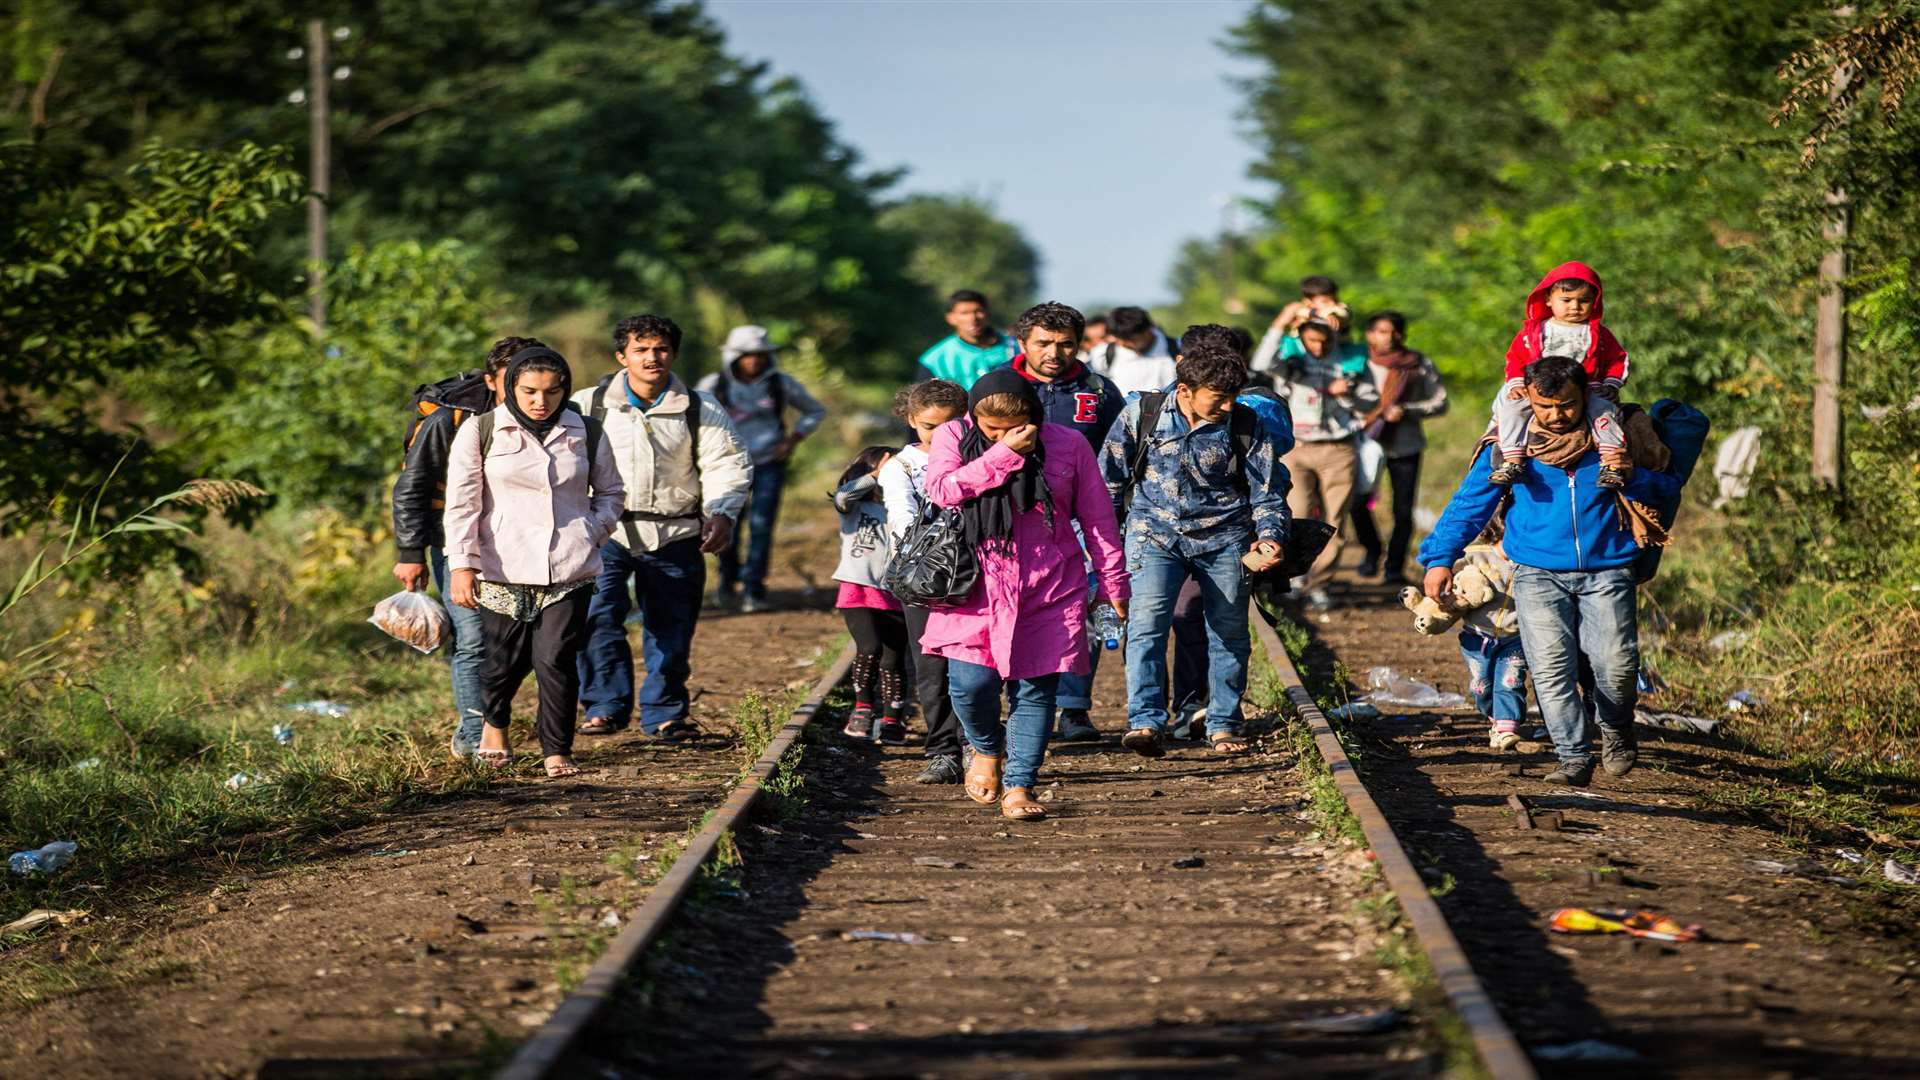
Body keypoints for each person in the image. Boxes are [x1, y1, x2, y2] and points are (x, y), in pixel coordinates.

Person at [1419, 356, 1680, 786]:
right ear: (1528, 401)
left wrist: (1629, 479)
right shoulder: (1511, 445)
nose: (1557, 417)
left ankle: (1615, 727)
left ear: (1586, 398)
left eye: (1567, 406)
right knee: (1550, 668)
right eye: (1546, 407)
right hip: (1537, 572)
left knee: (1615, 664)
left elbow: (1668, 489)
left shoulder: (1617, 437)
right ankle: (1574, 757)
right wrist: (1439, 558)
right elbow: (1470, 504)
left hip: (1608, 570)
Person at [920, 366, 1128, 822]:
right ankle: (986, 748)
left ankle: (1019, 785)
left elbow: (1097, 519)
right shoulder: (953, 435)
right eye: (990, 429)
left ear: (1033, 416)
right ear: (975, 417)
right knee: (970, 685)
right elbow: (942, 491)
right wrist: (1004, 455)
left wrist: (1114, 583)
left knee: (1035, 691)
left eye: (1014, 429)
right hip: (975, 583)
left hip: (1051, 585)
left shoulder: (1068, 444)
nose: (1002, 435)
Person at [1099, 343, 1290, 758]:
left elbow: (1267, 491)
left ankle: (1223, 721)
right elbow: (1108, 485)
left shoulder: (1245, 423)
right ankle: (1146, 721)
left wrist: (1270, 535)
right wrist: (1106, 549)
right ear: (1185, 390)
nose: (1226, 405)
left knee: (1229, 631)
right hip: (1154, 537)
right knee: (1146, 627)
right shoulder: (1141, 415)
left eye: (1231, 396)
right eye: (1217, 397)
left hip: (1226, 539)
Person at [443, 347, 624, 778]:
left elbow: (612, 493)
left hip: (569, 567)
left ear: (564, 390)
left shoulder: (587, 430)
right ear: (510, 389)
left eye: (551, 391)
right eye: (529, 391)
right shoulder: (481, 429)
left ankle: (557, 749)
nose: (540, 401)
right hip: (501, 567)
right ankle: (495, 725)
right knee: (500, 662)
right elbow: (462, 504)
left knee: (556, 660)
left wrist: (589, 531)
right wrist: (462, 565)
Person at [574, 315, 754, 739]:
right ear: (622, 356)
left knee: (671, 625)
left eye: (660, 349)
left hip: (676, 534)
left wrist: (723, 512)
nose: (652, 358)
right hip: (606, 534)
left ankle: (664, 712)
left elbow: (726, 463)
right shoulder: (588, 405)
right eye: (641, 350)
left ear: (673, 354)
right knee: (597, 620)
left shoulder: (699, 406)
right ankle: (603, 705)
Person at [392, 336, 529, 758]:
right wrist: (410, 554)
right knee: (473, 639)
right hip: (455, 542)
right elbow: (411, 486)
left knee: (517, 640)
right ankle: (474, 737)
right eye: (512, 380)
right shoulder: (451, 420)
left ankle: (490, 721)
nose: (524, 390)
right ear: (491, 381)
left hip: (521, 543)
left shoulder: (555, 417)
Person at [997, 301, 1123, 743]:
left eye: (1066, 344)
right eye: (1044, 343)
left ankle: (1073, 708)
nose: (1055, 352)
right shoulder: (998, 385)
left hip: (1078, 518)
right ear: (1022, 343)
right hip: (1007, 519)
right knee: (1009, 612)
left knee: (1081, 613)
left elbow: (1121, 452)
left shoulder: (1100, 390)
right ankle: (1019, 704)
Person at [1165, 324, 1294, 737]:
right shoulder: (1156, 408)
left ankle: (1208, 708)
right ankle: (1194, 706)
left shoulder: (1255, 408)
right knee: (1191, 616)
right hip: (1168, 531)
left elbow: (1272, 464)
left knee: (1213, 619)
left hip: (1233, 530)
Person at [696, 324, 828, 613]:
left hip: (768, 463)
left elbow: (815, 410)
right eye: (747, 355)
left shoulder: (780, 384)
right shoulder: (712, 386)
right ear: (734, 356)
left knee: (762, 526)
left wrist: (793, 439)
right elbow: (692, 418)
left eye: (760, 354)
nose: (754, 360)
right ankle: (727, 582)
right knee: (726, 523)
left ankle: (754, 588)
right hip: (727, 468)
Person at [877, 379, 971, 783]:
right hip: (925, 579)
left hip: (975, 575)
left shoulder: (977, 458)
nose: (942, 433)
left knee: (974, 664)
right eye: (931, 426)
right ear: (912, 420)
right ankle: (943, 749)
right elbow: (901, 517)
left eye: (953, 423)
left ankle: (977, 744)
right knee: (931, 668)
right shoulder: (900, 469)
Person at [1491, 261, 1630, 488]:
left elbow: (1618, 359)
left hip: (1585, 388)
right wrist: (1517, 384)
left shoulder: (1598, 334)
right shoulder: (1535, 331)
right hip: (1538, 390)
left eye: (1583, 300)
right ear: (1548, 299)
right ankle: (1512, 459)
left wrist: (1611, 385)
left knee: (1603, 411)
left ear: (1594, 302)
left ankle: (1611, 463)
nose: (1574, 306)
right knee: (1511, 408)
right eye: (1566, 300)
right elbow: (1515, 358)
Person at [1272, 319, 1379, 612]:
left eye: (1324, 341)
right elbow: (1262, 361)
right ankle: (1295, 579)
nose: (1318, 347)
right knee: (1298, 513)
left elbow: (1371, 402)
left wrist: (1346, 393)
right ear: (1301, 339)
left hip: (1338, 447)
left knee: (1334, 519)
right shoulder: (1289, 361)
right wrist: (1282, 321)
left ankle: (1320, 584)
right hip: (1297, 447)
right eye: (1312, 341)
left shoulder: (1352, 363)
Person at [1348, 312, 1448, 582]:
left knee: (1403, 510)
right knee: (1356, 503)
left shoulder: (1417, 363)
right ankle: (1371, 552)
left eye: (1394, 332)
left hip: (1405, 444)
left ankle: (1394, 567)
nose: (1388, 337)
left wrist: (1407, 410)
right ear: (1370, 334)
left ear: (1402, 335)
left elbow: (1440, 401)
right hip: (1365, 442)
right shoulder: (1357, 363)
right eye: (1381, 331)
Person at [831, 446, 910, 744]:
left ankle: (893, 719)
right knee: (869, 646)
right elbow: (843, 495)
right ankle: (862, 709)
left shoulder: (903, 506)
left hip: (895, 591)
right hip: (857, 587)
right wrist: (877, 474)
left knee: (893, 658)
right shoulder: (854, 507)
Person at [1250, 275, 1363, 378]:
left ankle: (1352, 377)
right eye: (1325, 301)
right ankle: (1295, 368)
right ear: (1308, 301)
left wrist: (1326, 314)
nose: (1332, 304)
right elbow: (1260, 366)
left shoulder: (1337, 309)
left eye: (1334, 299)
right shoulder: (1301, 310)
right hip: (1297, 356)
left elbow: (1342, 313)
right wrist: (1280, 324)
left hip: (1341, 350)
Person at [915, 289, 1018, 389]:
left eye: (978, 311)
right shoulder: (935, 360)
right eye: (964, 313)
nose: (973, 318)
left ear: (987, 313)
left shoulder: (1015, 347)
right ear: (950, 318)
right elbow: (925, 403)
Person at [1088, 305, 1178, 396]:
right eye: (1120, 339)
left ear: (1148, 330)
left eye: (1131, 339)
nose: (1124, 343)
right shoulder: (1103, 354)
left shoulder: (1178, 348)